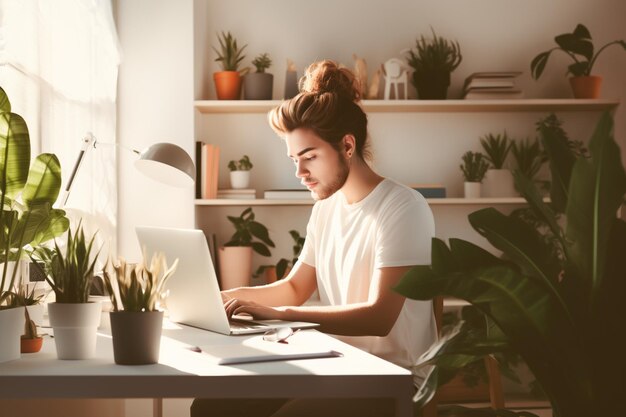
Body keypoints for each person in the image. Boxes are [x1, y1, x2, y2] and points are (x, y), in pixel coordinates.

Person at [191, 60, 436, 417]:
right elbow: (294, 287)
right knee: (212, 408)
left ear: (348, 146)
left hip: (395, 381)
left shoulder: (403, 208)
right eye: (294, 159)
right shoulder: (326, 208)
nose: (299, 172)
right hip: (340, 367)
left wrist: (281, 315)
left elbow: (379, 316)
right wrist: (217, 299)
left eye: (310, 157)